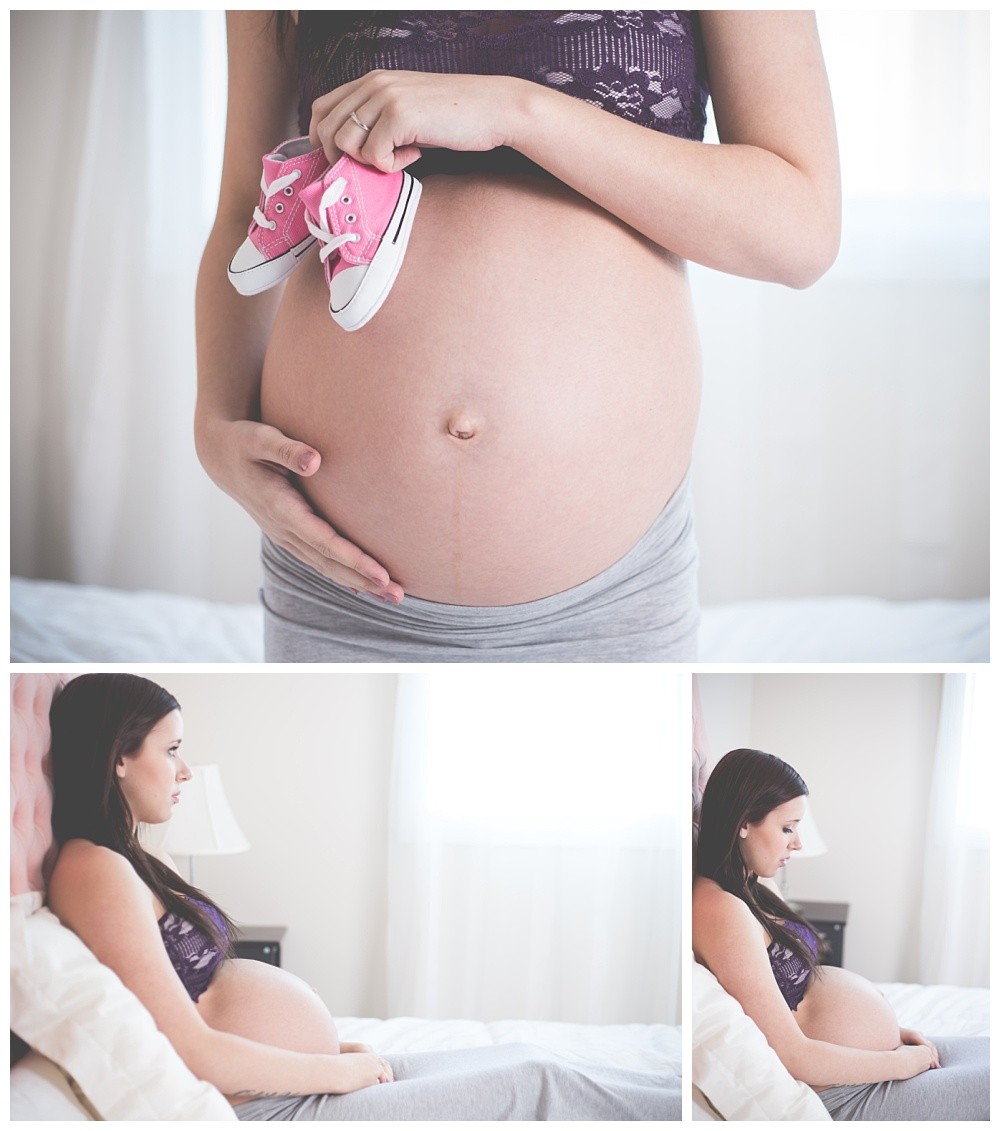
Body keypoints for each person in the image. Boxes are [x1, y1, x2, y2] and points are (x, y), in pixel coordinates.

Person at [194, 11, 841, 662]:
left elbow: (801, 230)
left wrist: (515, 110)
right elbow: (241, 207)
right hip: (337, 591)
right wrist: (213, 425)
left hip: (609, 602)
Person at [45, 674, 679, 1120]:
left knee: (528, 1058)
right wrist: (331, 1071)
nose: (185, 770)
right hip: (271, 1107)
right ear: (118, 757)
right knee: (541, 1085)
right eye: (173, 749)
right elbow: (188, 1046)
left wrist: (330, 1051)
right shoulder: (91, 867)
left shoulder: (125, 860)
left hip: (293, 1081)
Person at [693, 747, 989, 1121]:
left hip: (866, 1067)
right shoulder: (719, 908)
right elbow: (794, 1054)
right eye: (787, 828)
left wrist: (894, 1034)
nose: (797, 843)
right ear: (743, 823)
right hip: (843, 1094)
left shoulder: (749, 886)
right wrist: (898, 1064)